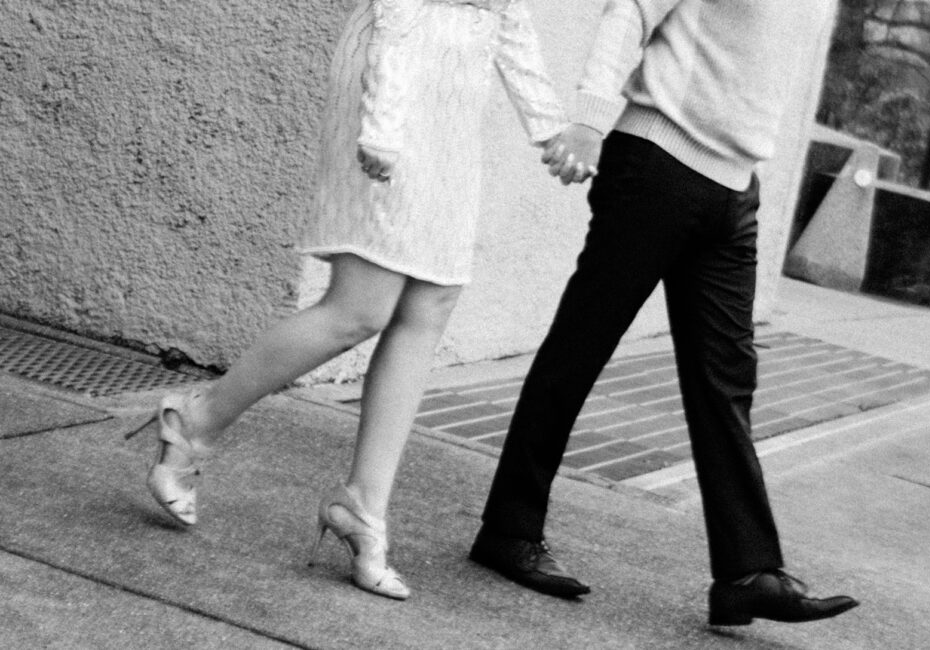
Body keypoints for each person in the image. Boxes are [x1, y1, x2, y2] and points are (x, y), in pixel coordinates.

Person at [127, 0, 574, 601]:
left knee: (431, 301)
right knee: (361, 305)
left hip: (454, 85)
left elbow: (508, 11)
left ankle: (363, 508)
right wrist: (383, 125)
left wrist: (549, 124)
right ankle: (196, 421)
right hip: (394, 70)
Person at [469, 0, 861, 625]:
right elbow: (629, 9)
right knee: (582, 347)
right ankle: (508, 529)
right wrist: (590, 122)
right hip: (656, 162)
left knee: (727, 379)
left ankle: (746, 572)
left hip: (735, 187)